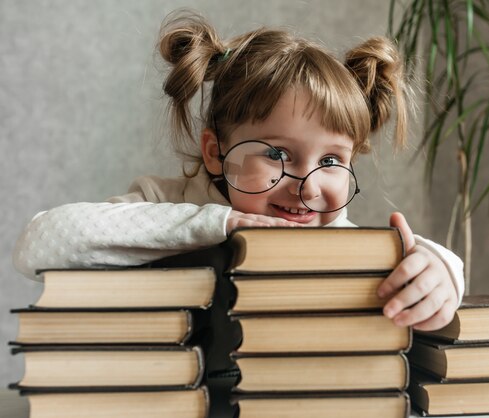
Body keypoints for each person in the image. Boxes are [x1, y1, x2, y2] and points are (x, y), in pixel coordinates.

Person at [13, 11, 463, 331]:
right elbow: (39, 244)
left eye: (330, 161)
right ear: (214, 152)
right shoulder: (166, 203)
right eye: (277, 154)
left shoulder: (338, 236)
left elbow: (431, 262)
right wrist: (221, 223)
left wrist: (440, 271)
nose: (308, 190)